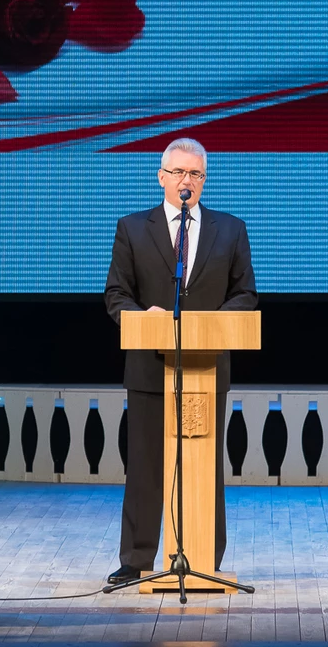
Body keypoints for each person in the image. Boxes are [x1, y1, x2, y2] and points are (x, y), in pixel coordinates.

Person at [102, 136, 258, 584]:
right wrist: (142, 318)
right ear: (161, 177)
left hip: (206, 366)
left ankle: (205, 555)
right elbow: (116, 295)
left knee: (205, 466)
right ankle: (136, 559)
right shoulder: (133, 228)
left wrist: (212, 322)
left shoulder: (231, 229)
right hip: (149, 366)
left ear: (204, 180)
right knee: (146, 467)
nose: (186, 180)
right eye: (178, 172)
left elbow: (245, 293)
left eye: (195, 173)